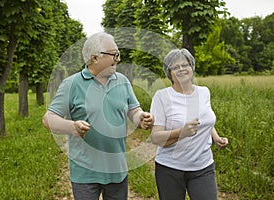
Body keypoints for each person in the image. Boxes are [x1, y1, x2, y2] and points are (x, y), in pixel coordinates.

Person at [42, 32, 154, 200]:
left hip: (117, 170)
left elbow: (133, 110)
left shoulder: (122, 81)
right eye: (114, 55)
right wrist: (72, 127)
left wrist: (142, 118)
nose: (118, 59)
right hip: (85, 173)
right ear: (95, 58)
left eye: (118, 54)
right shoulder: (71, 84)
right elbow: (48, 119)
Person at [150, 48, 229, 200]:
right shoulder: (162, 97)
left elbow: (205, 121)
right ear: (169, 73)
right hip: (170, 169)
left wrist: (216, 138)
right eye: (175, 67)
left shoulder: (204, 92)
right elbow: (156, 137)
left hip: (203, 166)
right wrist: (181, 132)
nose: (181, 69)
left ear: (192, 67)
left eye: (185, 65)